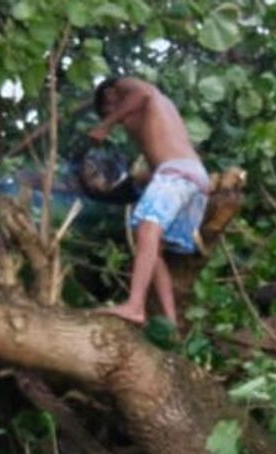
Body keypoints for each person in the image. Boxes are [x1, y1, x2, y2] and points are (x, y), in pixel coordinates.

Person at [89, 76, 210, 325]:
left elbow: (145, 93)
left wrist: (106, 125)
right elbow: (163, 151)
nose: (113, 116)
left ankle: (135, 306)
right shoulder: (153, 114)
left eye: (107, 109)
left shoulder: (130, 88)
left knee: (147, 228)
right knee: (153, 248)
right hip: (192, 177)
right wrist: (140, 178)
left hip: (177, 173)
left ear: (111, 93)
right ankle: (171, 320)